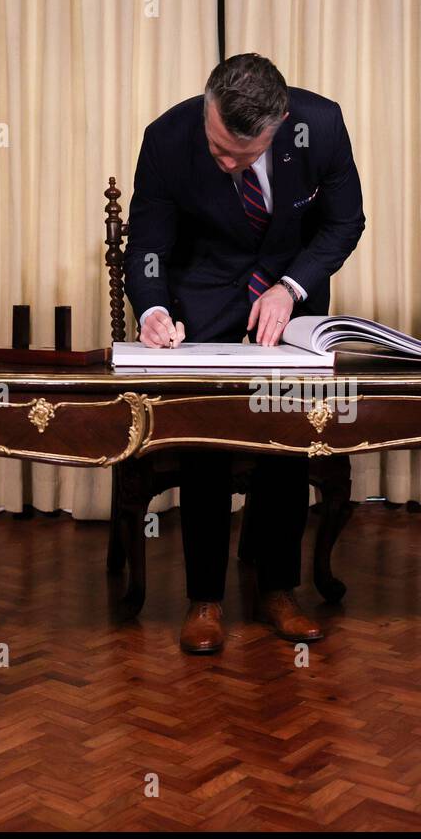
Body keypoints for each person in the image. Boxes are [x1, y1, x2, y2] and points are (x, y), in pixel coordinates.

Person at [123, 53, 365, 653]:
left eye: (240, 154)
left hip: (288, 294)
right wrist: (153, 309)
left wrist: (291, 287)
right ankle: (204, 599)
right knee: (209, 435)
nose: (224, 162)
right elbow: (147, 243)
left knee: (284, 434)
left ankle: (278, 592)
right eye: (217, 147)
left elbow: (344, 223)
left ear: (280, 124)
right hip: (202, 295)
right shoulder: (167, 138)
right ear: (207, 106)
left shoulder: (322, 126)